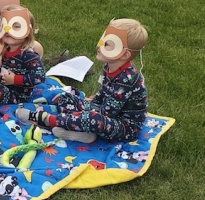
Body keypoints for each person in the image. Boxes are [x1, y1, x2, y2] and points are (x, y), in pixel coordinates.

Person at [16, 18, 149, 144]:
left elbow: (108, 113)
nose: (99, 44)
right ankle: (80, 131)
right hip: (103, 113)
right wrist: (88, 105)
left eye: (107, 43)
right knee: (65, 97)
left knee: (93, 118)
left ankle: (46, 119)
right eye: (103, 39)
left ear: (125, 54)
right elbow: (102, 93)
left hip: (124, 127)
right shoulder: (110, 65)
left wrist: (85, 113)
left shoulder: (127, 79)